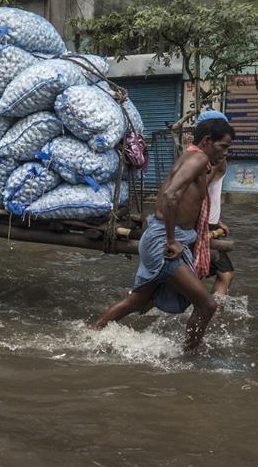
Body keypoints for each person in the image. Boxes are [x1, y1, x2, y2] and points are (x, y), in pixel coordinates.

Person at [92, 111, 235, 353]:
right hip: (164, 241)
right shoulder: (198, 160)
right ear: (207, 141)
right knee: (207, 305)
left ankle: (93, 333)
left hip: (161, 236)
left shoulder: (194, 158)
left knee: (138, 301)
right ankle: (189, 357)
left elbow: (184, 196)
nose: (225, 152)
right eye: (222, 146)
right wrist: (171, 240)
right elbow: (170, 196)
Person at [207, 156, 235, 296]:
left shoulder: (195, 159)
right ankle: (211, 314)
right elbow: (199, 192)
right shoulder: (216, 161)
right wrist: (214, 231)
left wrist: (217, 221)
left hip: (207, 223)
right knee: (225, 274)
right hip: (204, 226)